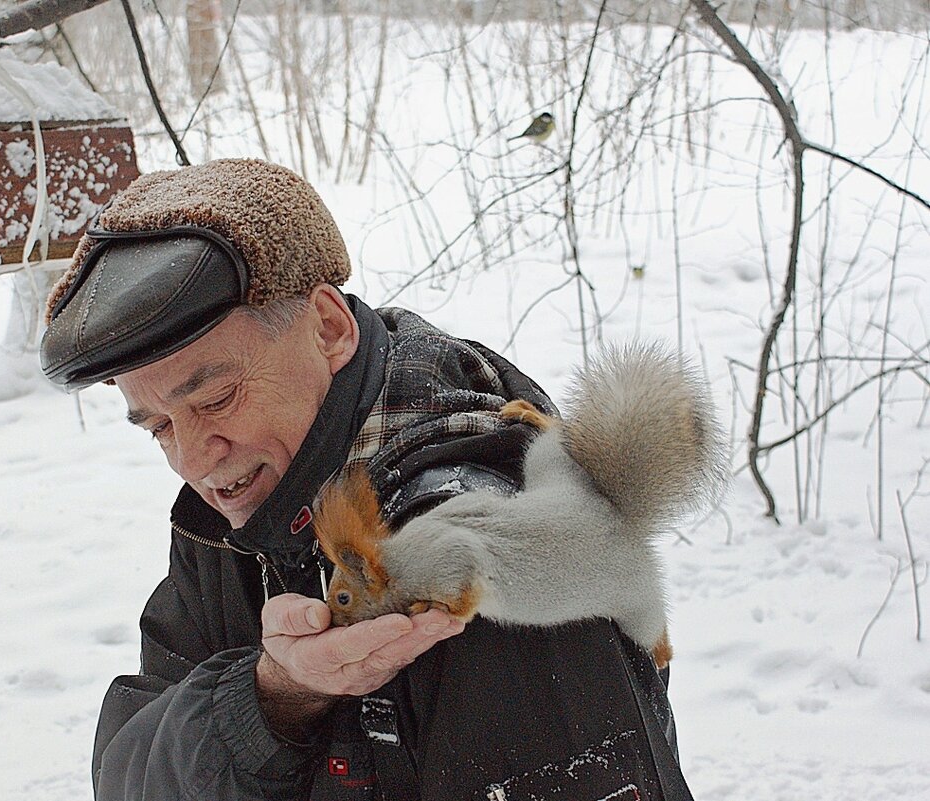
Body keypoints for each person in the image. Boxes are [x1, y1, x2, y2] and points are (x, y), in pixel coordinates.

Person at [39, 158, 693, 801]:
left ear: (327, 328)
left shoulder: (480, 574)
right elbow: (128, 770)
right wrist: (271, 697)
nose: (193, 460)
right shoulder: (230, 520)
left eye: (215, 399)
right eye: (157, 426)